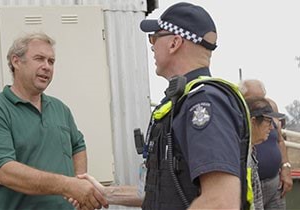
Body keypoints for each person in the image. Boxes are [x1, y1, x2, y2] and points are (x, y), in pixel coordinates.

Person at [73, 2, 252, 209]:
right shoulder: (180, 102)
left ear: (174, 42)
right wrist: (104, 193)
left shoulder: (203, 103)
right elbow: (163, 191)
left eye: (154, 37)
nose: (151, 45)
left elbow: (221, 202)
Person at [0, 32, 108, 210]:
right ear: (16, 61)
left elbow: (78, 145)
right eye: (39, 59)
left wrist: (80, 186)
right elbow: (5, 172)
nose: (47, 67)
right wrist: (68, 185)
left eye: (51, 61)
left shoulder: (60, 109)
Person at [240, 79, 293, 210]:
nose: (261, 103)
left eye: (262, 98)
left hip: (275, 184)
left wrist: (285, 167)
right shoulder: (235, 116)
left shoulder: (270, 108)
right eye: (255, 99)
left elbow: (280, 140)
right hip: (249, 186)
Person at [245, 97, 286, 210]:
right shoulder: (239, 156)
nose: (272, 127)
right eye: (268, 121)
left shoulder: (250, 151)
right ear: (253, 121)